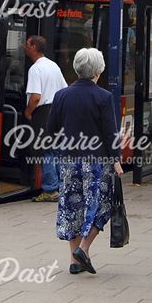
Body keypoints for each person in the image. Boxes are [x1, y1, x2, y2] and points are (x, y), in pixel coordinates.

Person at [46, 48, 123, 276]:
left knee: (72, 206)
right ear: (98, 70)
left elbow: (51, 129)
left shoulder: (62, 95)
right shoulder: (103, 97)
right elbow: (110, 133)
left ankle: (74, 260)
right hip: (96, 161)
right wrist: (116, 160)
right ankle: (84, 248)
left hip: (69, 160)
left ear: (76, 68)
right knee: (101, 205)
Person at [24, 35, 68, 203]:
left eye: (27, 44)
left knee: (45, 152)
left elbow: (35, 97)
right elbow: (65, 89)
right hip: (57, 110)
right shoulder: (53, 65)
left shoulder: (35, 69)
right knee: (56, 150)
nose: (24, 47)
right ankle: (59, 186)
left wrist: (28, 112)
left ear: (34, 47)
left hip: (43, 113)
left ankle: (50, 189)